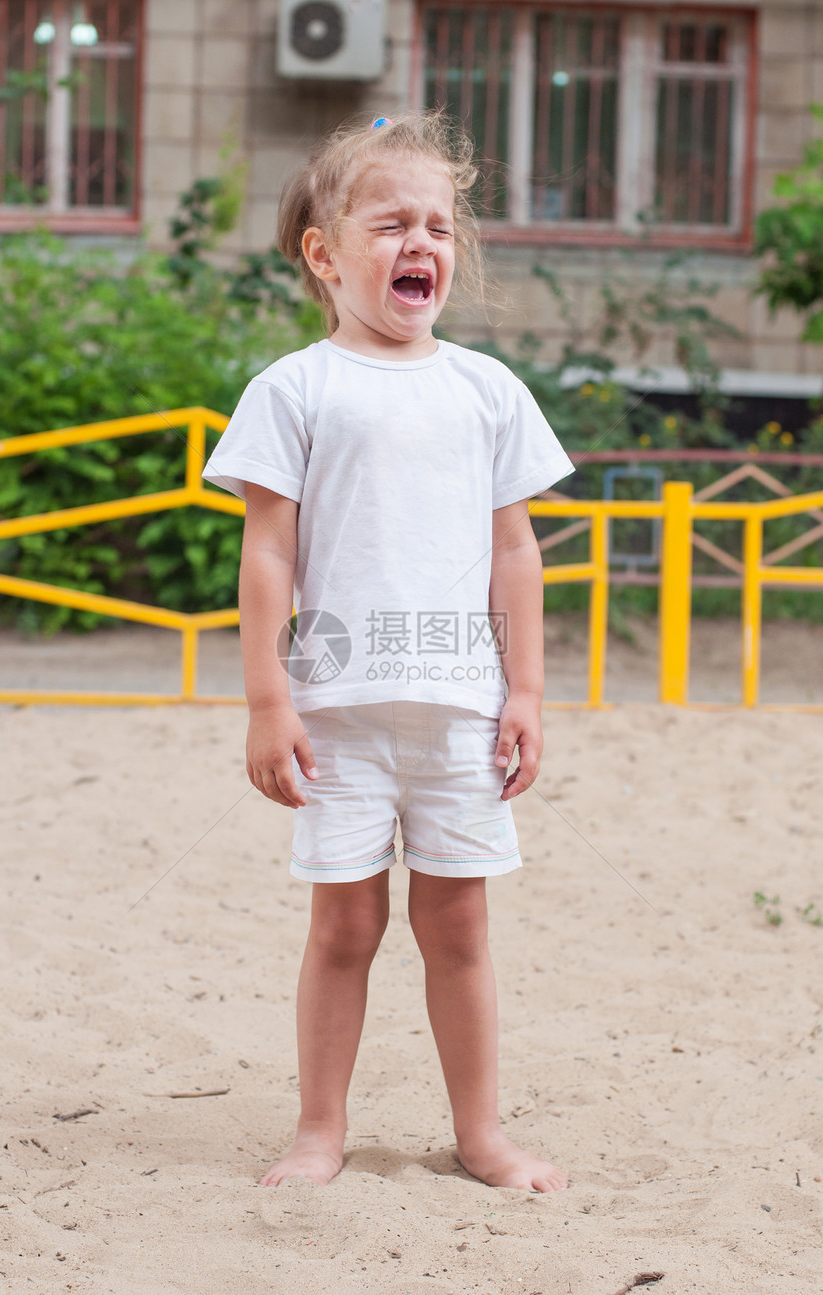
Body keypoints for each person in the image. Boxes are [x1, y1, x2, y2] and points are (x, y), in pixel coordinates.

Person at [202, 111, 574, 1193]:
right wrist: (268, 702)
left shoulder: (486, 389)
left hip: (461, 705)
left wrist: (528, 692)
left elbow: (516, 552)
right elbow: (267, 553)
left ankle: (480, 1130)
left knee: (457, 923)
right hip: (339, 710)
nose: (421, 242)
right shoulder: (295, 388)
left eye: (438, 224)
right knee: (344, 922)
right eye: (390, 223)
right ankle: (320, 1127)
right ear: (324, 252)